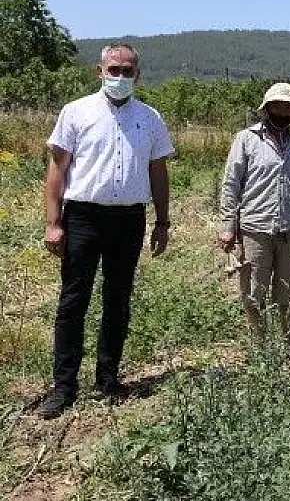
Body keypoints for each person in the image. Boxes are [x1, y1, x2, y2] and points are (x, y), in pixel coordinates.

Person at [38, 43, 174, 419]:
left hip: (129, 219)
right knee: (73, 302)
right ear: (99, 72)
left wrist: (162, 221)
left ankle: (108, 379)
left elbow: (158, 173)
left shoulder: (150, 118)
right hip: (82, 217)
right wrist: (53, 223)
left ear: (138, 75)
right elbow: (57, 171)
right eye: (113, 70)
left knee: (118, 300)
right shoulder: (76, 112)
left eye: (127, 71)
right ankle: (64, 387)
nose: (119, 77)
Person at [217, 83, 290, 349]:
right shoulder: (247, 139)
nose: (282, 110)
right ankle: (260, 349)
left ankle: (289, 348)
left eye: (288, 106)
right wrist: (228, 226)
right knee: (253, 294)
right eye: (277, 105)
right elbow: (231, 183)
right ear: (267, 108)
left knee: (288, 294)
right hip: (255, 229)